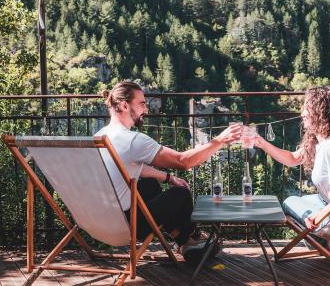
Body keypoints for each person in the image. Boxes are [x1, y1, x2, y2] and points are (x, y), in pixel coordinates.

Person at [95, 80, 242, 264]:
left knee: (149, 184)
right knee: (180, 194)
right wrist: (220, 140)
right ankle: (189, 239)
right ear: (124, 105)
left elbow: (127, 167)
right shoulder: (133, 140)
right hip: (127, 226)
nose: (146, 110)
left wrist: (168, 177)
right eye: (141, 103)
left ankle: (184, 240)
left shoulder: (100, 136)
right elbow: (183, 161)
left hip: (98, 222)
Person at [254, 86, 330, 234]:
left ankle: (324, 240)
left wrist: (319, 215)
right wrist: (262, 143)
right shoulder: (322, 143)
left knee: (289, 202)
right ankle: (324, 239)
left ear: (321, 113)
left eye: (307, 109)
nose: (302, 113)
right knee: (297, 200)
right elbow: (292, 158)